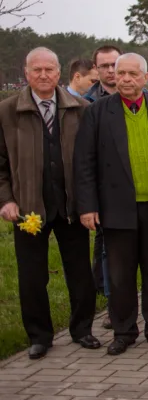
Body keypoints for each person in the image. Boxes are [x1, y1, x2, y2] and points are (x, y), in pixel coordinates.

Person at [74, 53, 148, 356]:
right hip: (116, 210)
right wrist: (87, 206)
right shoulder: (97, 112)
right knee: (120, 275)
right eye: (120, 72)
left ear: (144, 76)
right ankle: (124, 331)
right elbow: (84, 164)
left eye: (132, 73)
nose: (125, 79)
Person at [0, 48, 99, 360]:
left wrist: (89, 203)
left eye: (49, 70)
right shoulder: (7, 111)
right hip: (29, 209)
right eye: (36, 70)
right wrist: (6, 200)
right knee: (31, 276)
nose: (43, 75)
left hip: (71, 208)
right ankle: (39, 337)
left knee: (81, 273)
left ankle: (83, 329)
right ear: (26, 73)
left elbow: (92, 162)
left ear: (59, 74)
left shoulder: (81, 108)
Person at [83, 45, 122, 322]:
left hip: (143, 191)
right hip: (107, 192)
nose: (110, 70)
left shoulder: (144, 97)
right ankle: (114, 306)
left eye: (114, 65)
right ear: (96, 69)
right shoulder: (86, 104)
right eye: (104, 66)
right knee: (110, 253)